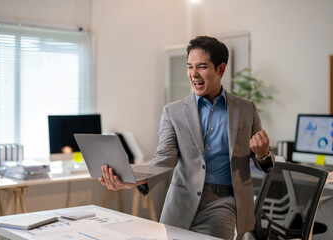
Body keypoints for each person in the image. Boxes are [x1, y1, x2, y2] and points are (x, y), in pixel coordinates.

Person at [98, 36, 274, 239]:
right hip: (180, 203)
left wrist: (262, 153)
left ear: (221, 69)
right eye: (190, 67)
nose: (194, 74)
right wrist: (132, 180)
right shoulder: (173, 112)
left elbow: (265, 163)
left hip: (223, 202)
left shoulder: (246, 108)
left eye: (202, 66)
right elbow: (165, 157)